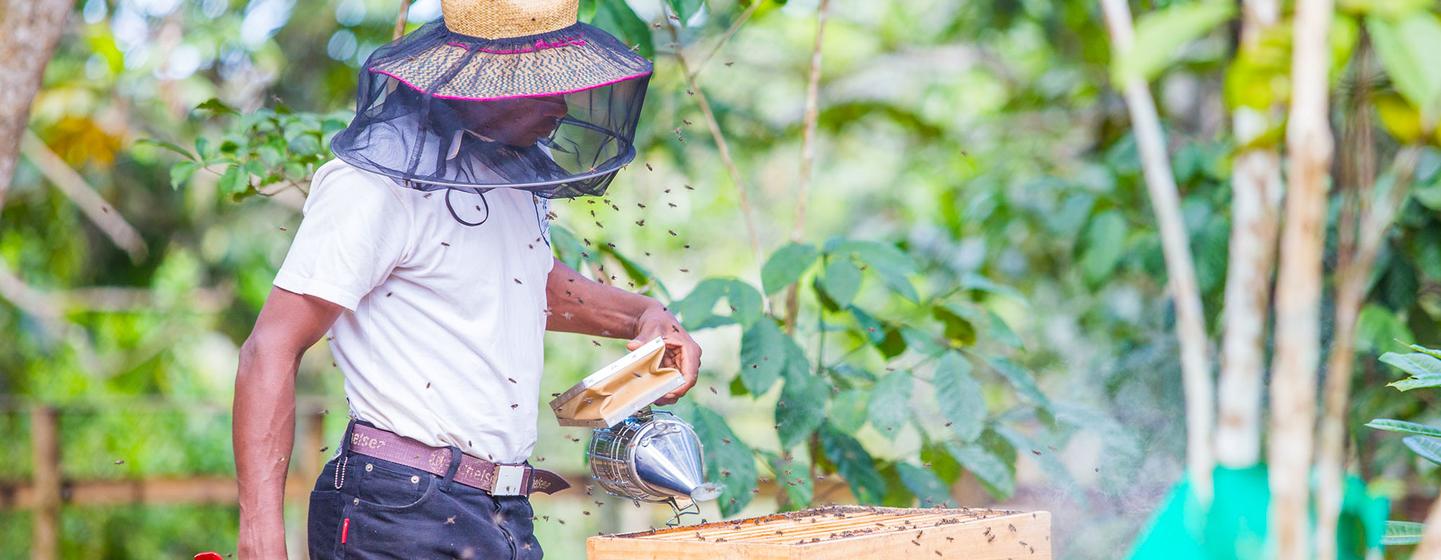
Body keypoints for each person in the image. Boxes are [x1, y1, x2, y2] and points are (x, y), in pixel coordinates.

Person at [231, 1, 694, 558]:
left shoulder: (514, 174)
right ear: (486, 77)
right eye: (547, 84)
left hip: (503, 511)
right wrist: (261, 541)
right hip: (396, 509)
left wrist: (642, 316)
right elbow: (270, 348)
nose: (566, 104)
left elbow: (530, 282)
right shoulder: (373, 182)